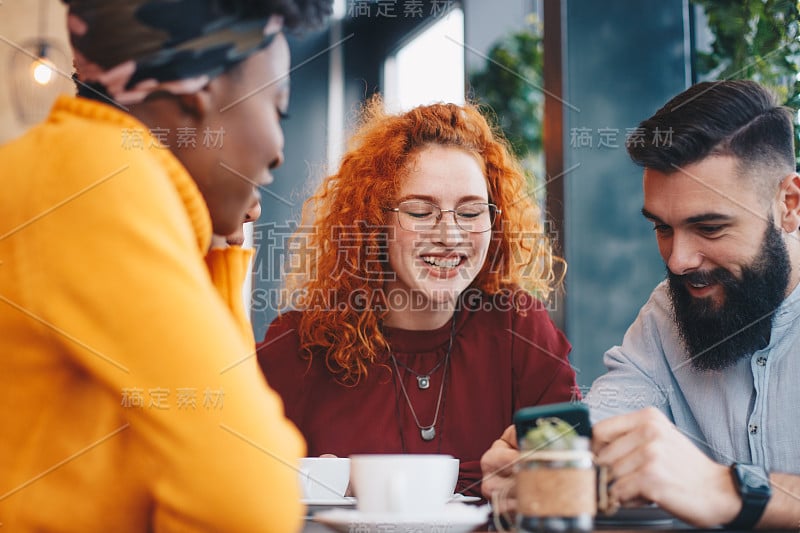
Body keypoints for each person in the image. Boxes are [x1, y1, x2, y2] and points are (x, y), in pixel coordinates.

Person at [0, 1, 331, 531]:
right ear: (197, 95)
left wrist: (222, 253)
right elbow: (251, 497)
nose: (278, 153)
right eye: (278, 109)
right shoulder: (95, 179)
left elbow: (221, 418)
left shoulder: (84, 167)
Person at [480, 80, 800, 528]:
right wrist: (545, 460)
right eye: (663, 229)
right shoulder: (668, 312)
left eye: (709, 228)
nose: (679, 260)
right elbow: (608, 417)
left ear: (788, 203)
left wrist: (722, 488)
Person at [256, 97, 578, 497]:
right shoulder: (299, 345)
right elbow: (232, 470)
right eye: (421, 212)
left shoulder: (519, 325)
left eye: (471, 211)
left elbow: (575, 465)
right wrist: (338, 479)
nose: (449, 235)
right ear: (376, 221)